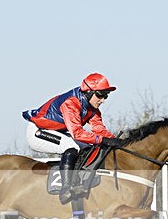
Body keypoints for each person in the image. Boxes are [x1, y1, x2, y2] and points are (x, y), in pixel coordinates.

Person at [23, 73, 120, 203]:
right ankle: (66, 188)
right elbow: (77, 133)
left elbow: (99, 131)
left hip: (60, 132)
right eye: (100, 95)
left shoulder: (93, 109)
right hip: (39, 131)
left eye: (105, 96)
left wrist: (118, 142)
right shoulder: (71, 103)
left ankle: (80, 180)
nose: (102, 100)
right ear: (89, 92)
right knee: (71, 147)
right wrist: (104, 140)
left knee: (89, 148)